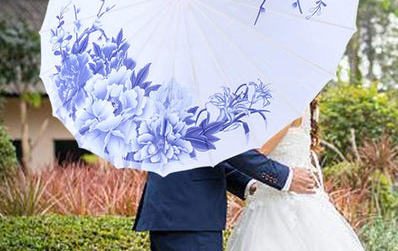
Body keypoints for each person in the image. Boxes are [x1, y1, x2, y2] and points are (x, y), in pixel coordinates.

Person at [226, 99, 366, 251]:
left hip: (280, 202)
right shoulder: (296, 102)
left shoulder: (287, 104)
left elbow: (259, 151)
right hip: (282, 196)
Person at [133, 149, 315, 251]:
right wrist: (286, 176)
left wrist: (247, 183)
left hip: (173, 212)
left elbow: (203, 154)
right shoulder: (195, 92)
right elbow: (232, 147)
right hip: (190, 215)